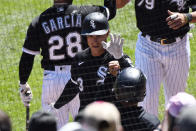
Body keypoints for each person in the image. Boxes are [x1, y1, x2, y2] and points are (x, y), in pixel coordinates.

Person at [18, 0, 116, 129]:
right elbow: (111, 11)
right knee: (87, 126)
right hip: (82, 76)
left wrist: (23, 83)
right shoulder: (87, 13)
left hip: (52, 81)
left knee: (52, 127)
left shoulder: (40, 20)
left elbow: (27, 57)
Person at [117, 0, 196, 116]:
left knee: (176, 104)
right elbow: (118, 4)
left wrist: (186, 17)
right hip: (147, 47)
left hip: (178, 48)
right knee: (146, 102)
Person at [47, 12, 132, 111]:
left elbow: (136, 78)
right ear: (86, 36)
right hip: (85, 117)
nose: (95, 40)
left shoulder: (116, 57)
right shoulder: (80, 58)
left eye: (98, 35)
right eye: (91, 36)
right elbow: (73, 85)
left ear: (107, 33)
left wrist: (120, 58)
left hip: (109, 117)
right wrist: (56, 106)